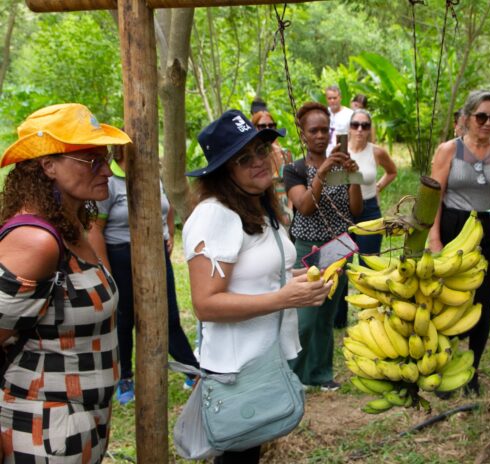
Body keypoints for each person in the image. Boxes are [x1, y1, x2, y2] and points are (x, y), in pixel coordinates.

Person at [183, 109, 331, 464]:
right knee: (237, 455)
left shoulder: (258, 207)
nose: (258, 163)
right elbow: (206, 304)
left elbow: (260, 276)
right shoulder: (215, 215)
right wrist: (282, 298)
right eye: (243, 159)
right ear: (223, 171)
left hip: (261, 358)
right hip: (237, 367)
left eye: (261, 151)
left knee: (247, 452)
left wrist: (301, 283)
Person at [0, 103, 131, 462]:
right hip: (38, 433)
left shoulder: (75, 227)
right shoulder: (36, 242)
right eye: (91, 160)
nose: (107, 169)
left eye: (105, 158)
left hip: (81, 428)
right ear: (48, 165)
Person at [87, 144, 199, 405]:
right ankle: (124, 376)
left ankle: (191, 371)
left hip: (156, 255)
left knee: (169, 315)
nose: (147, 155)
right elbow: (95, 228)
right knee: (125, 320)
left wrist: (168, 234)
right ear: (123, 153)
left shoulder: (153, 177)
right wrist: (107, 270)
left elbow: (167, 207)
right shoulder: (110, 181)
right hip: (120, 256)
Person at [428, 89, 490, 395]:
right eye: (481, 116)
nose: (487, 122)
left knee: (484, 300)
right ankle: (444, 366)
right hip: (455, 225)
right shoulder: (449, 150)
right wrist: (434, 237)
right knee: (449, 299)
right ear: (466, 118)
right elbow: (434, 195)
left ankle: (472, 369)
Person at [283, 102, 363, 390]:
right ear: (303, 134)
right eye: (313, 131)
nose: (319, 136)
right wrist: (321, 172)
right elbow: (304, 207)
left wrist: (352, 177)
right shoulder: (294, 169)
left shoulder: (341, 165)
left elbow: (354, 209)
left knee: (326, 315)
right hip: (309, 247)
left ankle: (320, 374)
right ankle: (294, 376)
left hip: (339, 246)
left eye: (324, 130)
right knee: (305, 317)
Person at [333, 109, 397, 328]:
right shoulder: (340, 150)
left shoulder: (376, 152)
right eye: (355, 125)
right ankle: (338, 318)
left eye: (365, 125)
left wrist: (378, 186)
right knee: (340, 263)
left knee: (369, 263)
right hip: (343, 210)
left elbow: (392, 171)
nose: (360, 129)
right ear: (349, 127)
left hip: (369, 210)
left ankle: (369, 316)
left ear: (370, 129)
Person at [251, 110, 293, 226]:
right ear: (254, 128)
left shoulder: (285, 154)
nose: (268, 129)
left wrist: (289, 211)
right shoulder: (254, 160)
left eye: (271, 125)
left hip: (287, 207)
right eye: (262, 126)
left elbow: (291, 184)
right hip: (266, 209)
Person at [325, 85, 353, 154]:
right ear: (326, 99)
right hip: (325, 154)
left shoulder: (350, 114)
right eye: (329, 98)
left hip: (343, 154)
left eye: (335, 98)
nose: (332, 101)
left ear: (340, 98)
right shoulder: (323, 113)